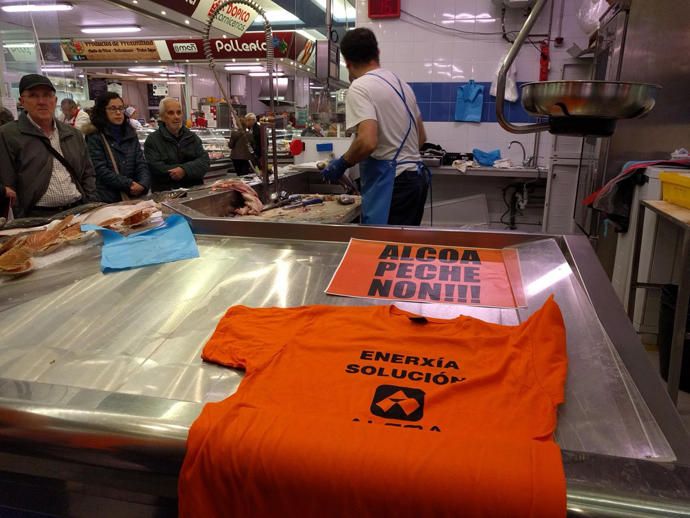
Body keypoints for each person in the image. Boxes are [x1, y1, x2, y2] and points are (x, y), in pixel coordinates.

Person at [321, 28, 430, 226]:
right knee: (401, 250)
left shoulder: (360, 87)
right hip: (416, 180)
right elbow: (421, 138)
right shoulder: (403, 85)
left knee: (381, 248)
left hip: (393, 185)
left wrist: (342, 163)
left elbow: (367, 142)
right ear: (377, 53)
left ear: (347, 63)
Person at [0, 74, 96, 217]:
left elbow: (88, 172)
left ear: (55, 100)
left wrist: (90, 202)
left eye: (47, 95)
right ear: (22, 101)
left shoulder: (72, 134)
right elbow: (8, 182)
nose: (41, 101)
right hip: (38, 217)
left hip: (78, 211)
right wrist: (20, 214)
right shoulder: (8, 135)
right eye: (33, 95)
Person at [84, 92, 151, 203]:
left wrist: (143, 184)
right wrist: (129, 184)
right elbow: (100, 169)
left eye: (121, 108)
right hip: (107, 198)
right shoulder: (95, 136)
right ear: (102, 111)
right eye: (112, 109)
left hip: (133, 196)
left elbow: (140, 162)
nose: (118, 113)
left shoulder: (130, 133)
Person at [144, 97, 210, 192]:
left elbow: (204, 162)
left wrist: (184, 170)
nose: (176, 116)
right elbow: (156, 169)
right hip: (166, 195)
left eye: (179, 112)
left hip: (193, 192)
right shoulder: (153, 140)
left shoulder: (192, 137)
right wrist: (192, 168)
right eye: (171, 113)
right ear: (162, 116)